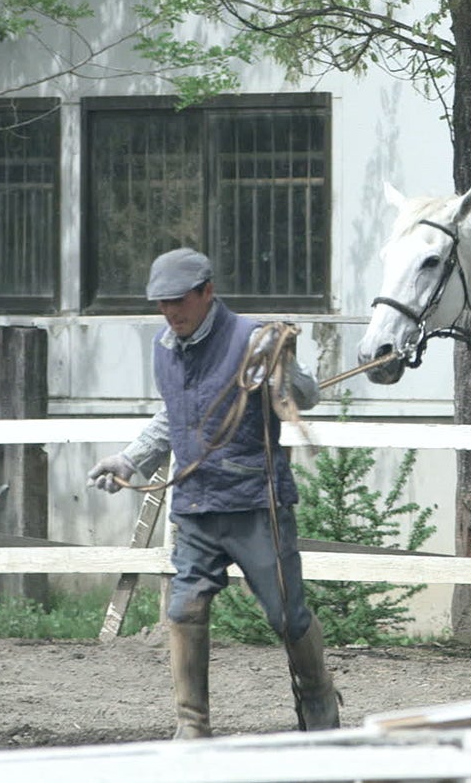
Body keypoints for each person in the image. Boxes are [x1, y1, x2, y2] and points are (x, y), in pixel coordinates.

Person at [87, 247, 340, 737]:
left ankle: (318, 702)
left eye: (179, 301)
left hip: (256, 505)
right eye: (161, 304)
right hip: (197, 505)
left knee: (287, 617)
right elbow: (173, 417)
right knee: (183, 609)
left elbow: (306, 397)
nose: (170, 312)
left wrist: (282, 360)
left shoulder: (252, 338)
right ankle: (192, 728)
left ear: (207, 292)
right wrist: (129, 458)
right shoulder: (165, 347)